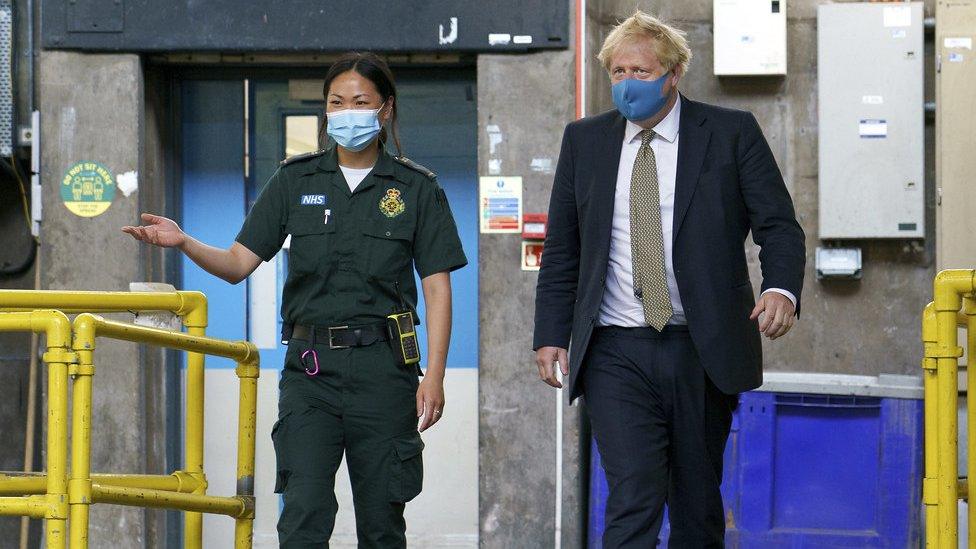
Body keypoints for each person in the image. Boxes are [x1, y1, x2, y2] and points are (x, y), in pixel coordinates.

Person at [123, 52, 468, 548]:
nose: (348, 112)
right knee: (303, 515)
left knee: (382, 522)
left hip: (385, 372)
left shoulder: (416, 189)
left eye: (361, 101)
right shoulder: (294, 180)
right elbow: (238, 264)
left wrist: (434, 375)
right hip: (311, 372)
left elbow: (437, 288)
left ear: (385, 109)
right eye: (337, 102)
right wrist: (184, 241)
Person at [533, 11, 805, 548]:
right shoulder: (584, 142)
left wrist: (781, 288)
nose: (627, 83)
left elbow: (778, 226)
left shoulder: (730, 133)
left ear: (674, 73)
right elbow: (563, 247)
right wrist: (549, 333)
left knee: (697, 503)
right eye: (617, 72)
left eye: (640, 70)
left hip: (701, 348)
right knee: (634, 495)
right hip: (615, 349)